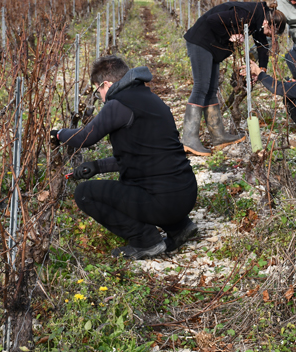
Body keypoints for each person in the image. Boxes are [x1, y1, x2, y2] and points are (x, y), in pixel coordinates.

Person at [51, 56, 198, 260]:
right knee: (148, 182)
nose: (101, 97)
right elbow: (143, 156)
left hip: (162, 201)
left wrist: (57, 134)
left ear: (107, 84)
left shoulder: (119, 104)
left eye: (98, 90)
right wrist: (97, 166)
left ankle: (146, 241)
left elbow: (84, 137)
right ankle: (179, 227)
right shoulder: (151, 100)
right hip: (185, 194)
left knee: (85, 193)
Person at [182, 1, 286, 156]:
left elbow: (261, 44)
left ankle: (218, 136)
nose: (271, 37)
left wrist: (262, 69)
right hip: (201, 42)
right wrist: (230, 36)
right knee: (201, 87)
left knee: (211, 89)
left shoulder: (258, 19)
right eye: (271, 32)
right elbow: (212, 20)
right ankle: (189, 139)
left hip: (212, 46)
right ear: (268, 23)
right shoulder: (246, 14)